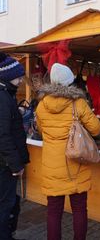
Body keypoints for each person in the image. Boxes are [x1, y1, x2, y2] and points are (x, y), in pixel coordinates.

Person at [36, 63, 100, 240]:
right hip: (76, 164)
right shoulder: (78, 103)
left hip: (52, 166)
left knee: (53, 212)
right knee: (79, 209)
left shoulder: (42, 105)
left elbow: (41, 131)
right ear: (69, 82)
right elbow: (96, 129)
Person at [0, 53, 30, 240]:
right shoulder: (3, 98)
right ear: (7, 76)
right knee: (6, 204)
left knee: (8, 203)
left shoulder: (6, 97)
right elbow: (2, 135)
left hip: (5, 162)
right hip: (4, 165)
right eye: (18, 76)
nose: (20, 81)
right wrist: (16, 164)